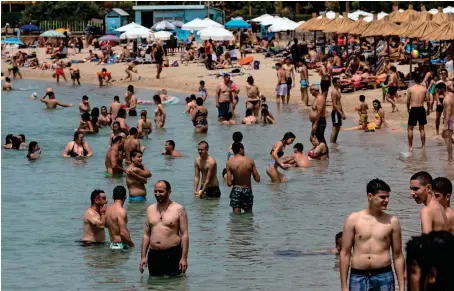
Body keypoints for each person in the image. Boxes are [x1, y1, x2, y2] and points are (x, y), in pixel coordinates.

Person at [340, 178, 405, 291]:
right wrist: (344, 286)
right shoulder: (353, 219)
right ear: (370, 196)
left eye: (387, 197)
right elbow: (345, 253)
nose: (386, 200)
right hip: (358, 276)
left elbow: (398, 255)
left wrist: (402, 287)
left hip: (384, 275)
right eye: (382, 197)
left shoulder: (392, 221)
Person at [139, 180, 189, 276]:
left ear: (169, 192)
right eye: (155, 191)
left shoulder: (179, 209)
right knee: (153, 285)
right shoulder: (150, 209)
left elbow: (184, 235)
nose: (157, 194)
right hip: (153, 254)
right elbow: (146, 234)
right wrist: (143, 257)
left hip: (172, 253)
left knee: (173, 284)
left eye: (161, 191)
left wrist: (184, 258)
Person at [226, 142, 260, 214]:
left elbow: (229, 183)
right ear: (241, 149)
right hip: (247, 190)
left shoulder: (229, 163)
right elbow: (257, 179)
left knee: (236, 217)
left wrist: (235, 181)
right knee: (248, 214)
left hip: (236, 190)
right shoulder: (250, 161)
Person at [407, 73, 429, 151]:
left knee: (410, 128)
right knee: (422, 129)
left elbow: (408, 100)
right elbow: (428, 100)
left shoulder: (410, 89)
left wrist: (407, 109)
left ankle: (410, 146)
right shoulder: (424, 89)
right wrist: (428, 109)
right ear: (420, 80)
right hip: (421, 108)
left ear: (413, 80)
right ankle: (423, 146)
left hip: (414, 108)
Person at [441, 83, 454, 162]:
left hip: (450, 119)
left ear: (441, 89)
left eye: (437, 89)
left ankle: (450, 158)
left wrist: (445, 125)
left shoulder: (447, 99)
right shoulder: (451, 95)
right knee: (444, 136)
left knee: (447, 138)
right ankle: (450, 157)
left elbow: (448, 112)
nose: (436, 91)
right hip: (451, 118)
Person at [330, 78, 346, 143]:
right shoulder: (333, 92)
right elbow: (334, 104)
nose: (340, 83)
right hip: (336, 112)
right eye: (338, 82)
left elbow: (339, 103)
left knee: (338, 128)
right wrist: (340, 113)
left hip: (338, 111)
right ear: (334, 83)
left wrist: (343, 112)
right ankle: (332, 144)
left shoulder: (338, 91)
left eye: (340, 82)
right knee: (335, 129)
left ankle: (334, 142)